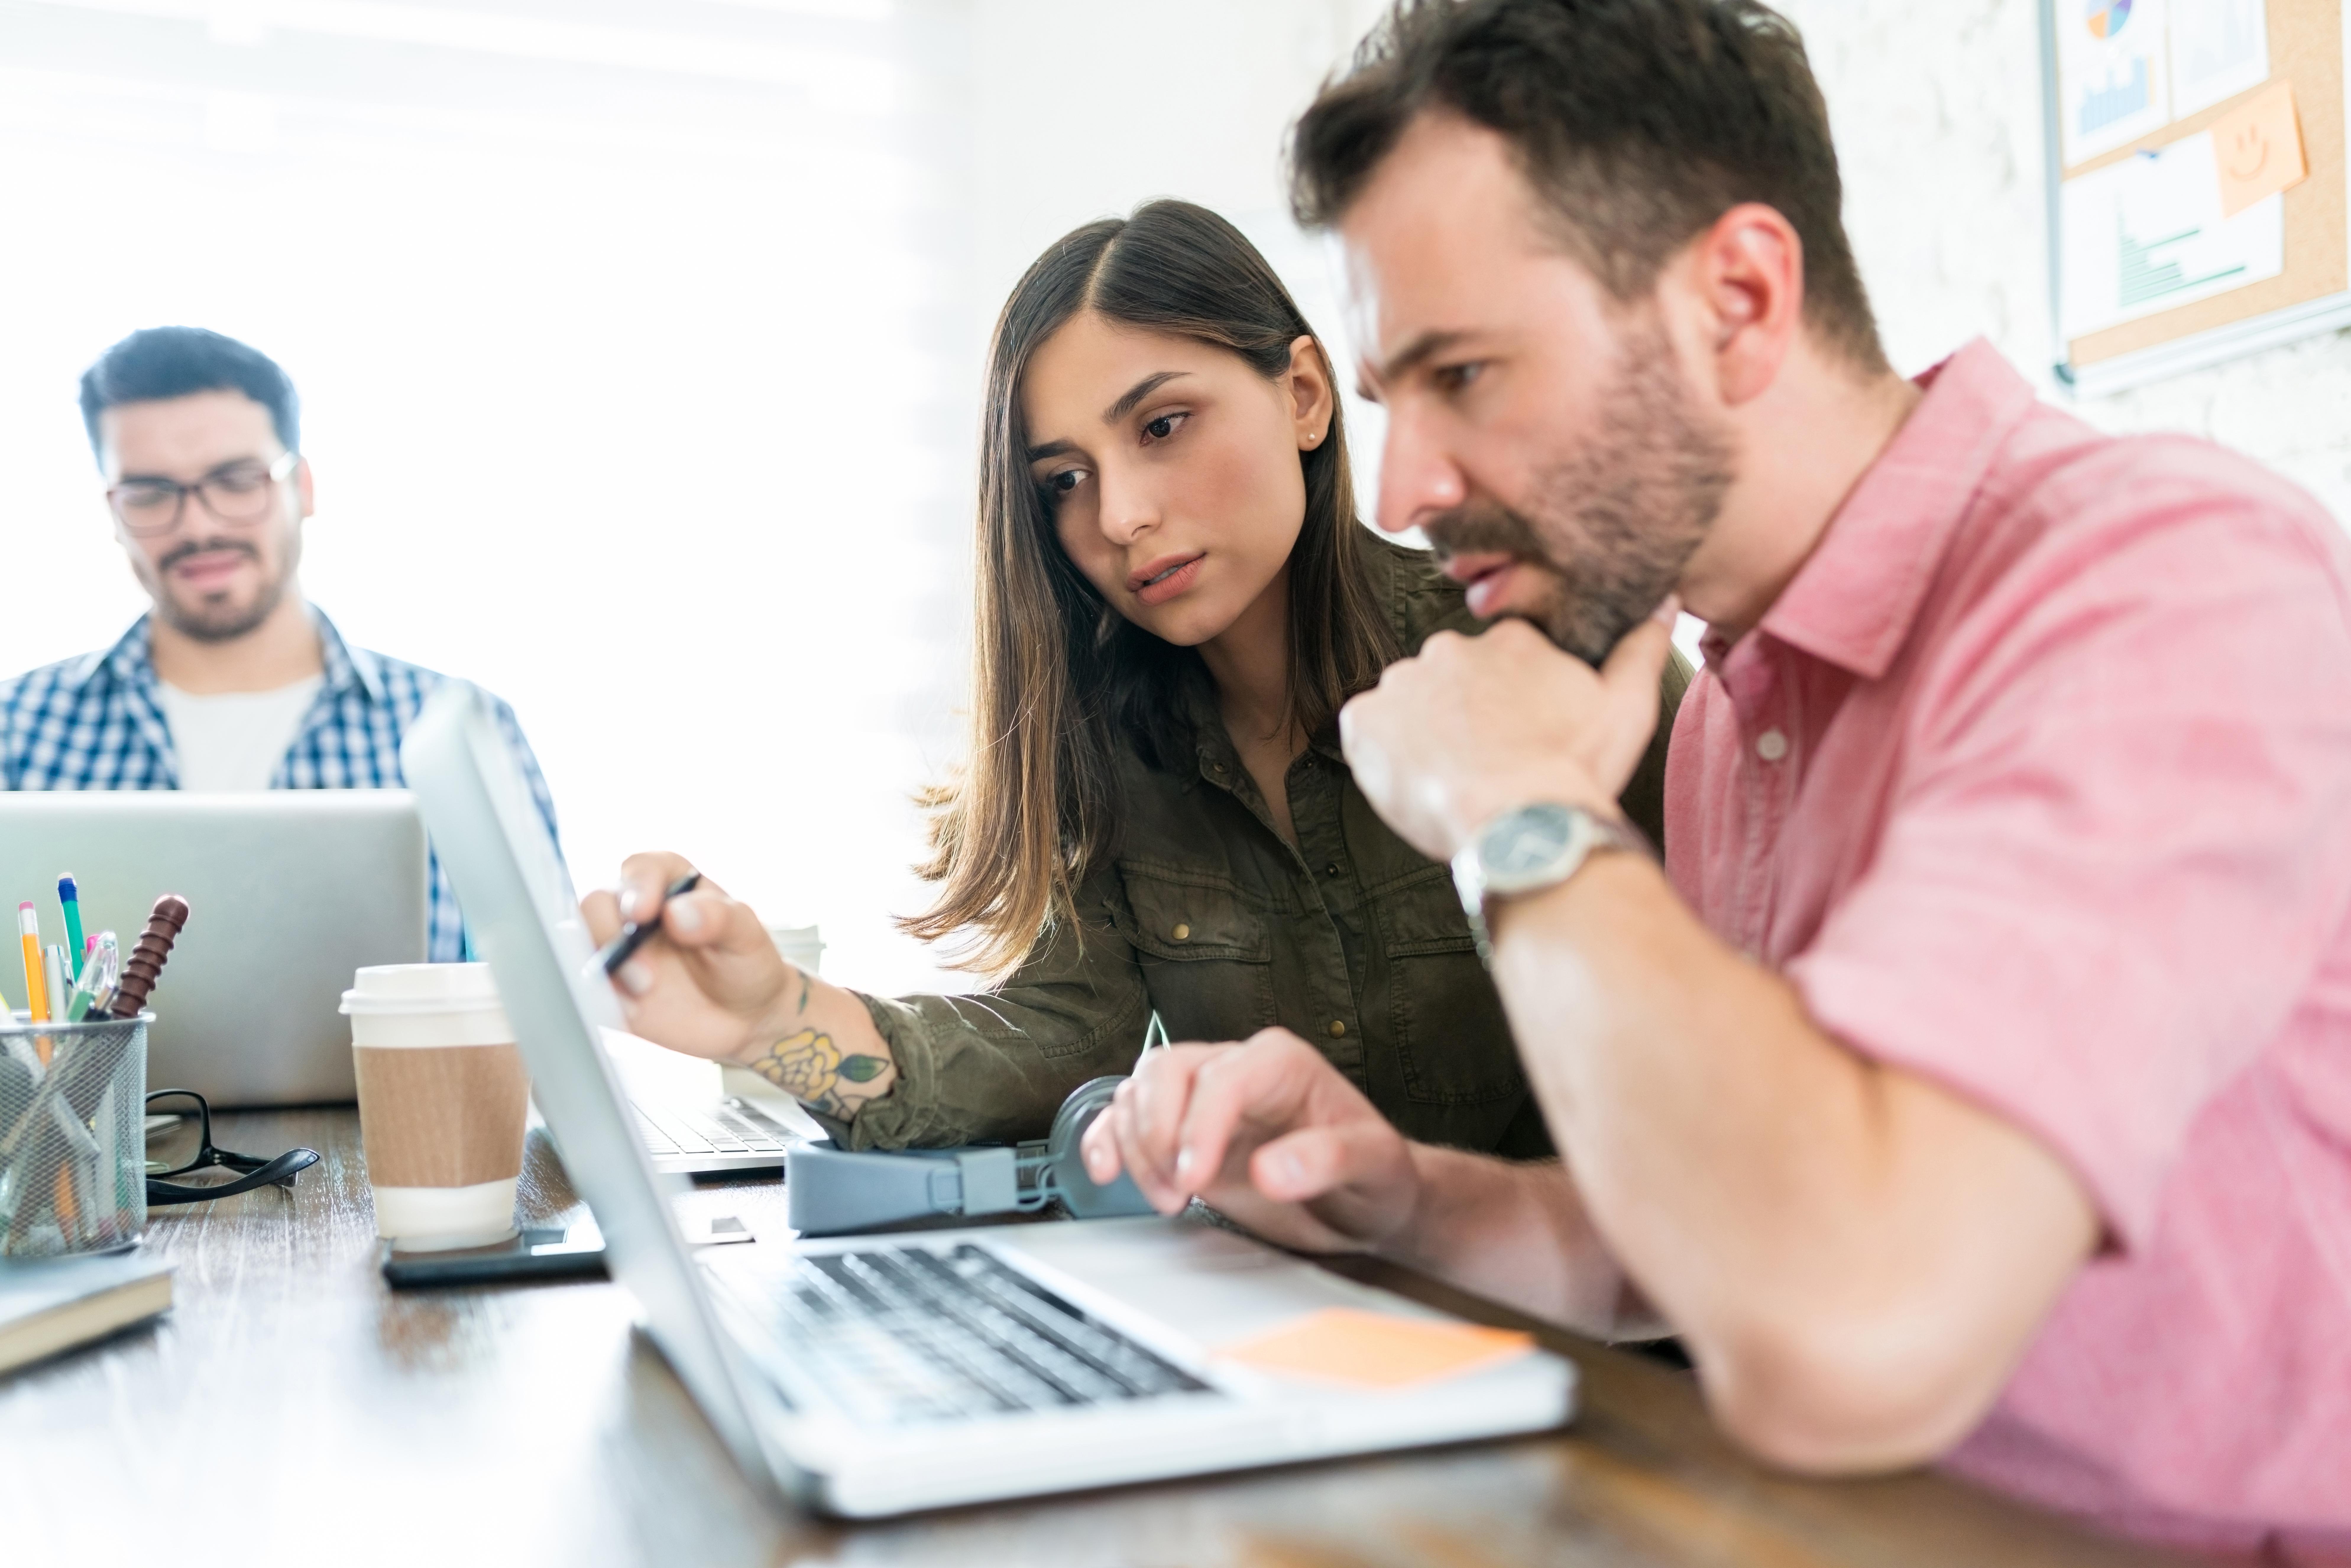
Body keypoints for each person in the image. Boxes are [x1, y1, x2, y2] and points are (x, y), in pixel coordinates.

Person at [1078, 1, 2351, 1557]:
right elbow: (1722, 1216)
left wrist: (1513, 817)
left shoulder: (2162, 586)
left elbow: (1848, 1318)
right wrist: (1401, 1198)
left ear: (1740, 300)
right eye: (1392, 399)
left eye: (1463, 374)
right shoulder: (1728, 687)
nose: (1403, 491)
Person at [582, 200, 1689, 1155]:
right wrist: (772, 1023)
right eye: (1063, 479)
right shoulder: (1112, 740)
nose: (1119, 516)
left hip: (1622, 1349)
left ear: (1304, 394)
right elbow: (1056, 1045)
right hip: (1301, 1337)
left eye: (1163, 426)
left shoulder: (1541, 652)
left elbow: (1734, 1046)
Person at [0, 326, 561, 961]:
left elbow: (540, 1012)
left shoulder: (459, 732)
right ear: (113, 511)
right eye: (151, 494)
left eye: (237, 480)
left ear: (304, 488)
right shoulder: (14, 732)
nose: (200, 525)